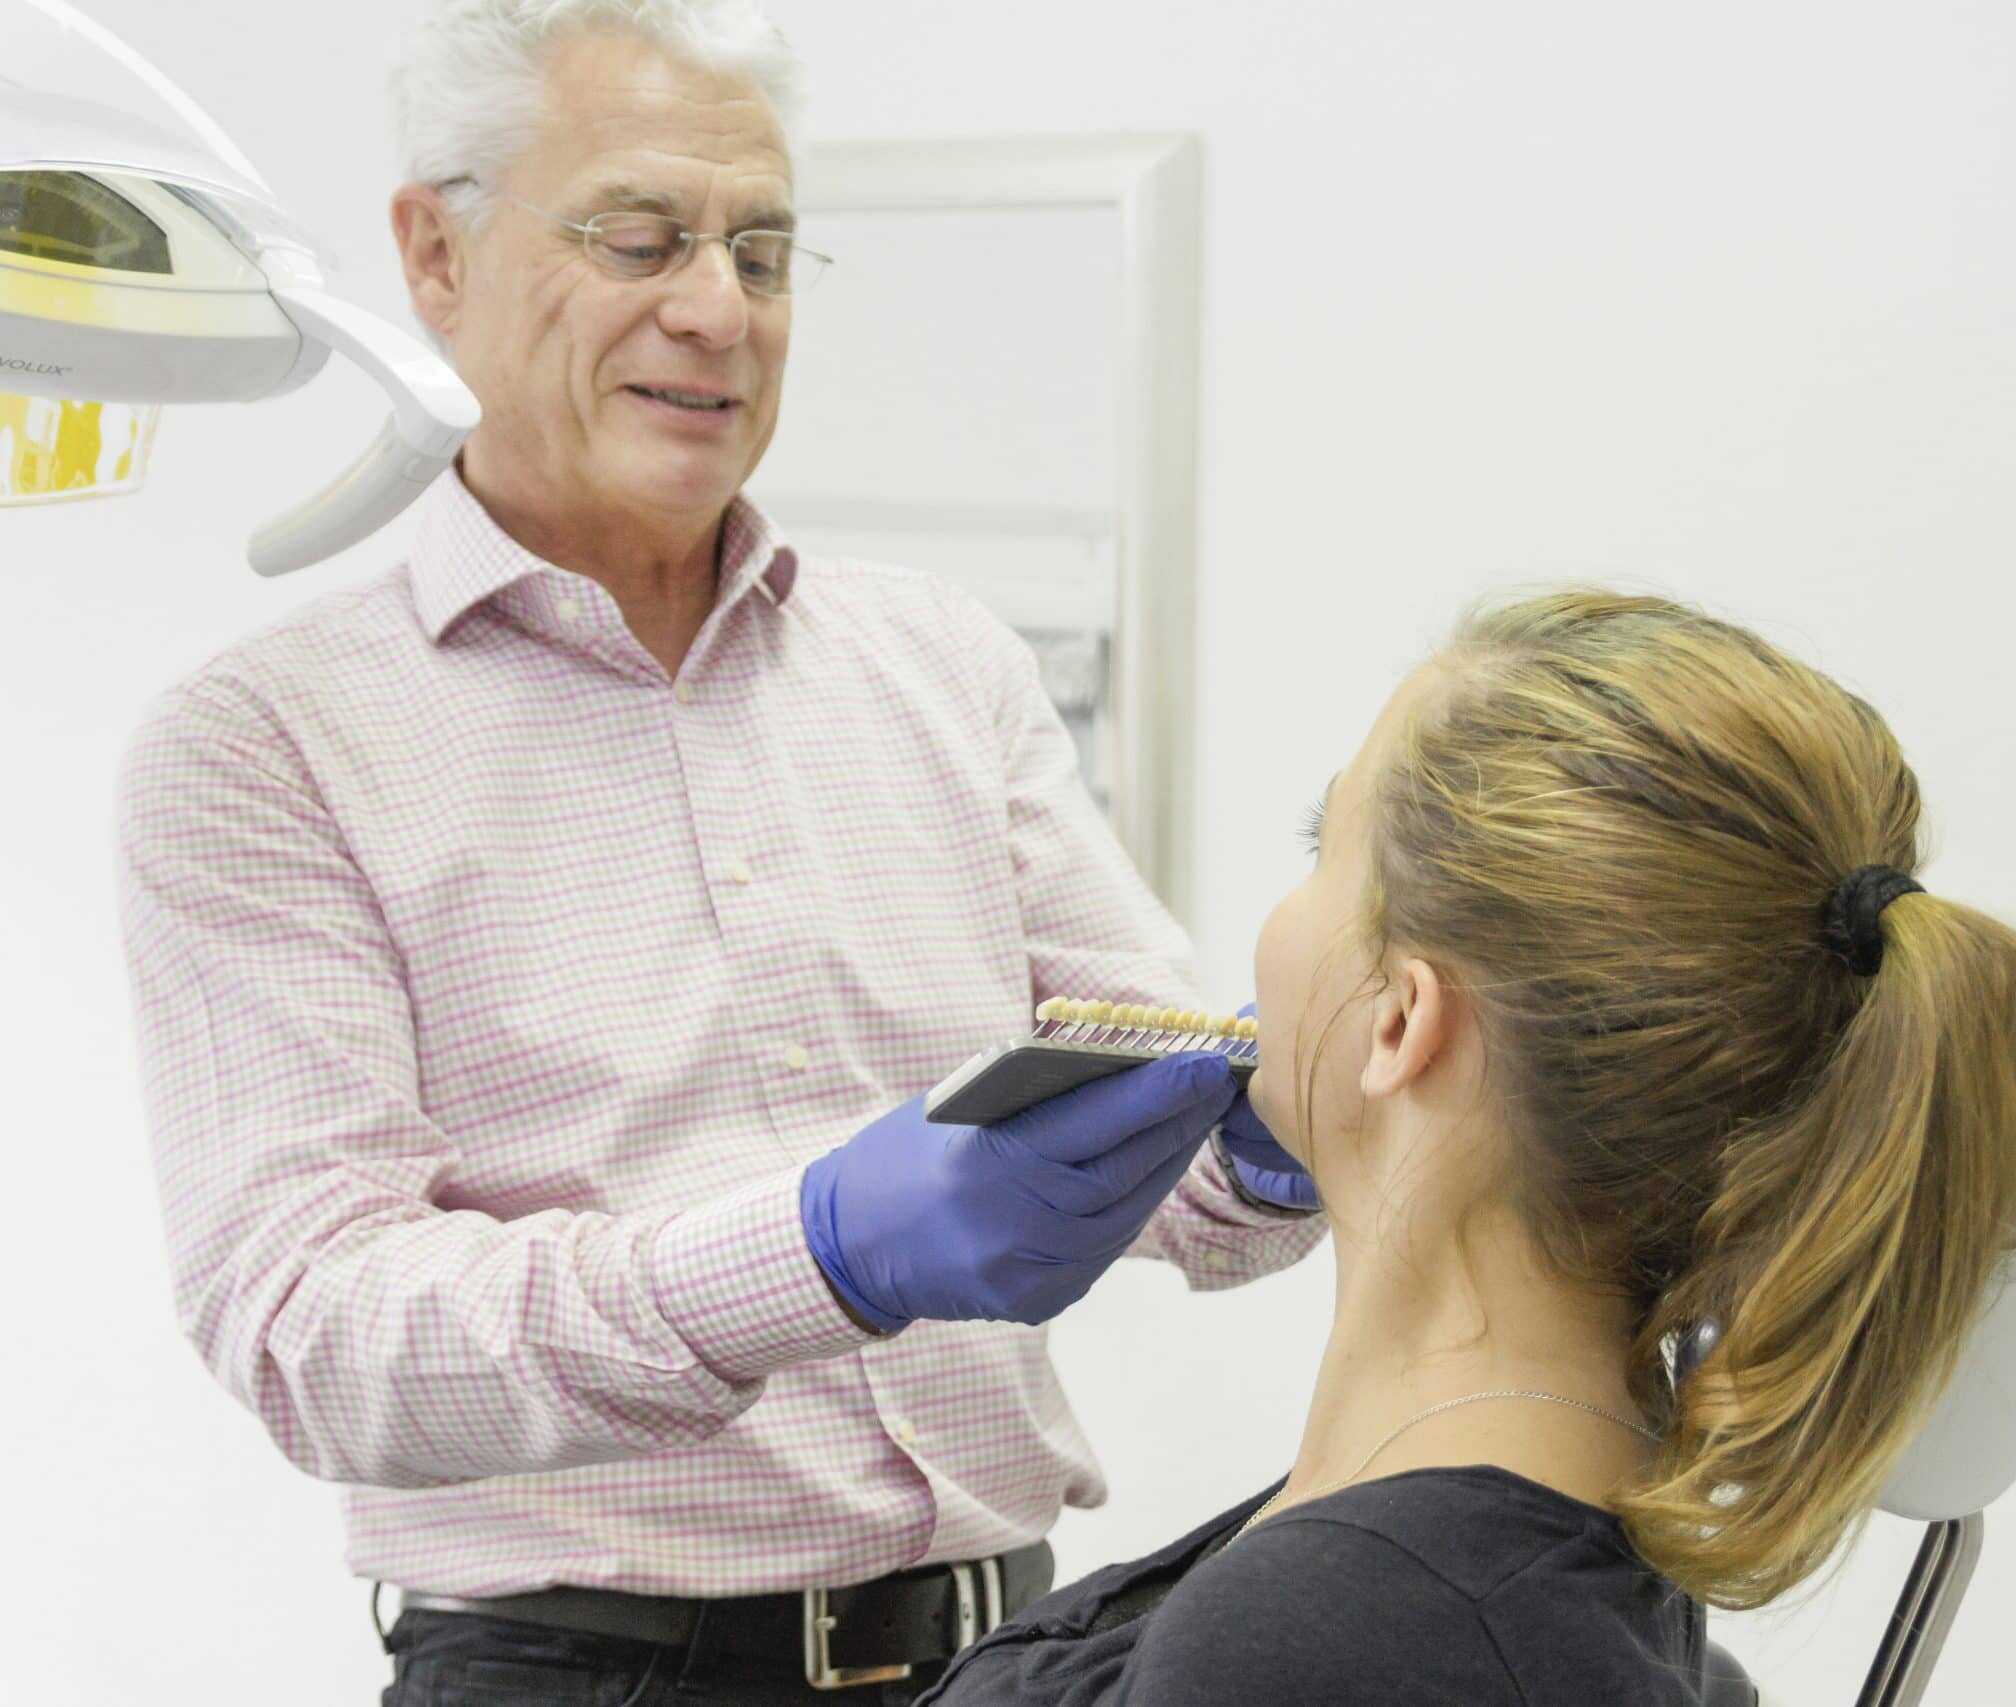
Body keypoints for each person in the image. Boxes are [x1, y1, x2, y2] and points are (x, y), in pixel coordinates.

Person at [110, 5, 1323, 1702]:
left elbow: (1175, 1157)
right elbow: (315, 1331)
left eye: (761, 253)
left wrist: (1282, 1126)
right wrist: (806, 1255)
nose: (717, 311)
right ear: (435, 252)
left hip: (1010, 1652)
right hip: (588, 1673)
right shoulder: (267, 747)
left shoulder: (941, 663)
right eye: (639, 238)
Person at [910, 588, 2016, 1705]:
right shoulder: (1478, 1550)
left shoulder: (1336, 1638)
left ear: (1402, 1020)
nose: (1278, 922)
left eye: (1321, 848)